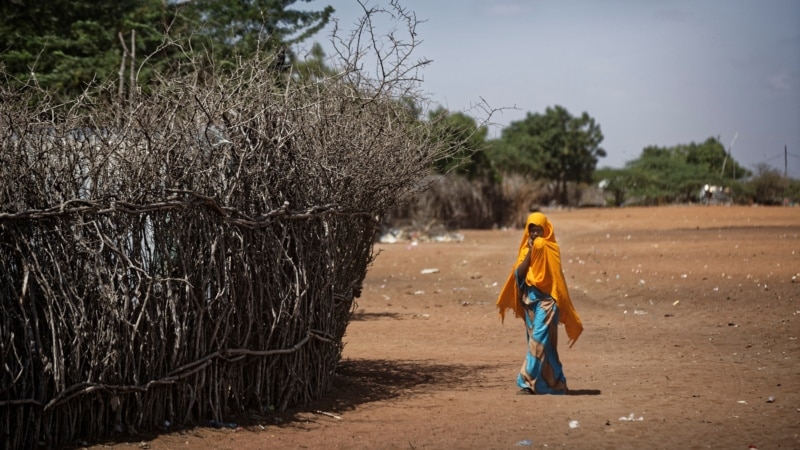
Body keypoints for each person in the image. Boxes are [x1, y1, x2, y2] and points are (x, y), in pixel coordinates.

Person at [495, 212, 583, 395]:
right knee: (547, 346)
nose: (535, 234)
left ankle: (525, 380)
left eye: (538, 230)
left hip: (548, 303)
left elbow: (554, 280)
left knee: (537, 341)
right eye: (532, 231)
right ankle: (556, 383)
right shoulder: (527, 249)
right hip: (530, 302)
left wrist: (538, 247)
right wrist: (530, 254)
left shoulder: (550, 248)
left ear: (546, 230)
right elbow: (519, 274)